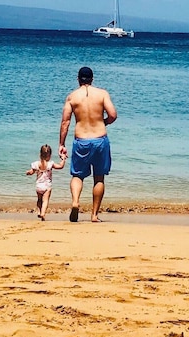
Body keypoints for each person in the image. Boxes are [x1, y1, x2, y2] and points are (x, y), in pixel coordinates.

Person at [59, 66, 117, 223]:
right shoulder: (102, 94)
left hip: (81, 140)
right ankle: (94, 215)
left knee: (77, 175)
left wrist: (61, 144)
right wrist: (102, 122)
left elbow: (65, 122)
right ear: (92, 79)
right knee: (99, 177)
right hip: (100, 139)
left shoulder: (72, 97)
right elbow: (113, 115)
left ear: (78, 79)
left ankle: (75, 202)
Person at [26, 144, 66, 221]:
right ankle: (43, 213)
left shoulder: (36, 164)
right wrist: (63, 159)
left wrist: (28, 172)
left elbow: (32, 172)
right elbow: (60, 166)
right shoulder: (50, 164)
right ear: (50, 155)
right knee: (45, 200)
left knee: (39, 200)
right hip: (47, 186)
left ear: (40, 154)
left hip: (38, 186)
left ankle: (39, 211)